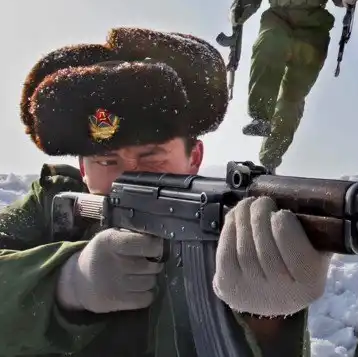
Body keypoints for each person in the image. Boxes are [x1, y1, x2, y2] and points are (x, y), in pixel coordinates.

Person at [0, 27, 330, 356]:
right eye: (106, 160)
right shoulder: (49, 204)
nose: (128, 175)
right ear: (83, 168)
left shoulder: (227, 226)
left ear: (194, 158)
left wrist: (269, 323)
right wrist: (68, 283)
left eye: (152, 156)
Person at [232, 0, 349, 172]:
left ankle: (270, 159)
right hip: (279, 20)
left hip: (313, 32)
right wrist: (239, 9)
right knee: (268, 45)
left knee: (292, 99)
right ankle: (260, 116)